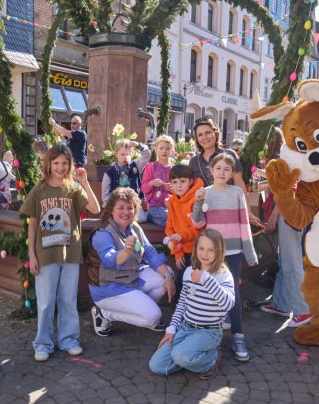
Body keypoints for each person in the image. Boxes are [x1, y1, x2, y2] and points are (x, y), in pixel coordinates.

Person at [20, 145, 101, 362]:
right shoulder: (39, 190)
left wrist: (84, 183)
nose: (60, 167)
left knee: (68, 299)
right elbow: (32, 224)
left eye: (65, 163)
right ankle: (43, 343)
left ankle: (69, 339)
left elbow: (95, 209)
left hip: (70, 254)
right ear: (48, 164)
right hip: (45, 256)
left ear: (70, 165)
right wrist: (32, 255)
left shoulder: (73, 189)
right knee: (46, 301)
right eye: (56, 163)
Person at [192, 153, 258, 361]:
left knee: (234, 294)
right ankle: (210, 334)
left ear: (232, 173)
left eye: (227, 169)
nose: (222, 172)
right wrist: (198, 202)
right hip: (212, 254)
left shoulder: (237, 192)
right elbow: (197, 223)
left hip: (233, 252)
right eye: (218, 168)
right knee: (211, 291)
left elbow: (244, 223)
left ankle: (238, 336)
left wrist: (249, 252)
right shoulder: (205, 193)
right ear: (211, 170)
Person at [89, 187, 177, 336]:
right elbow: (109, 260)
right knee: (153, 316)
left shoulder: (134, 227)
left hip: (131, 278)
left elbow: (150, 252)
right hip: (109, 288)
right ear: (111, 210)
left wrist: (168, 277)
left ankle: (139, 308)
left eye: (130, 208)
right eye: (121, 207)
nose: (126, 212)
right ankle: (104, 314)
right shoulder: (102, 233)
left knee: (167, 274)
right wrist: (126, 252)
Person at [149, 229, 235, 380]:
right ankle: (187, 357)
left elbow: (228, 304)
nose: (204, 254)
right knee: (156, 366)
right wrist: (171, 329)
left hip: (209, 332)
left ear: (219, 251)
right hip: (185, 327)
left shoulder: (223, 275)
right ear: (195, 249)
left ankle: (212, 358)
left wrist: (206, 280)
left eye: (211, 250)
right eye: (201, 248)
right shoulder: (189, 271)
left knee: (179, 355)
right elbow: (182, 304)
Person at [259, 128, 311, 327]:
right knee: (285, 260)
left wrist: (275, 214)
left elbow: (289, 188)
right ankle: (282, 304)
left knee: (291, 261)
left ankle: (303, 310)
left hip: (288, 215)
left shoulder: (284, 158)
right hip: (288, 214)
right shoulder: (285, 157)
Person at [188, 117, 260, 224]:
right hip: (207, 212)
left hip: (230, 209)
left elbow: (239, 183)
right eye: (200, 135)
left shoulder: (229, 154)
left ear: (215, 133)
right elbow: (190, 189)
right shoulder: (194, 161)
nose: (204, 137)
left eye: (208, 133)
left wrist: (247, 211)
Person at [164, 164, 204, 298]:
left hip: (198, 251)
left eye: (183, 181)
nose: (179, 186)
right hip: (182, 249)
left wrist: (182, 236)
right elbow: (169, 227)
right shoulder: (171, 201)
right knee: (181, 282)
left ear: (190, 181)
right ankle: (179, 309)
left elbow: (198, 227)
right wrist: (177, 251)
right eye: (175, 182)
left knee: (196, 285)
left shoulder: (196, 199)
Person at [101, 139, 151, 205]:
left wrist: (138, 145)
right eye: (122, 154)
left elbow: (147, 156)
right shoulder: (110, 172)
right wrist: (108, 206)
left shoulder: (136, 165)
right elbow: (105, 193)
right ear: (116, 154)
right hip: (117, 205)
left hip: (134, 204)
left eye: (128, 154)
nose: (125, 157)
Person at [141, 135, 175, 227]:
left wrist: (173, 189)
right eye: (161, 148)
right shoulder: (150, 167)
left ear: (172, 151)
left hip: (171, 206)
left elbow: (180, 190)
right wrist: (151, 183)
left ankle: (150, 217)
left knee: (168, 222)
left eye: (167, 148)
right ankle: (151, 214)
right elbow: (143, 188)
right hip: (155, 206)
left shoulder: (174, 169)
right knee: (170, 217)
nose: (164, 151)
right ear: (156, 149)